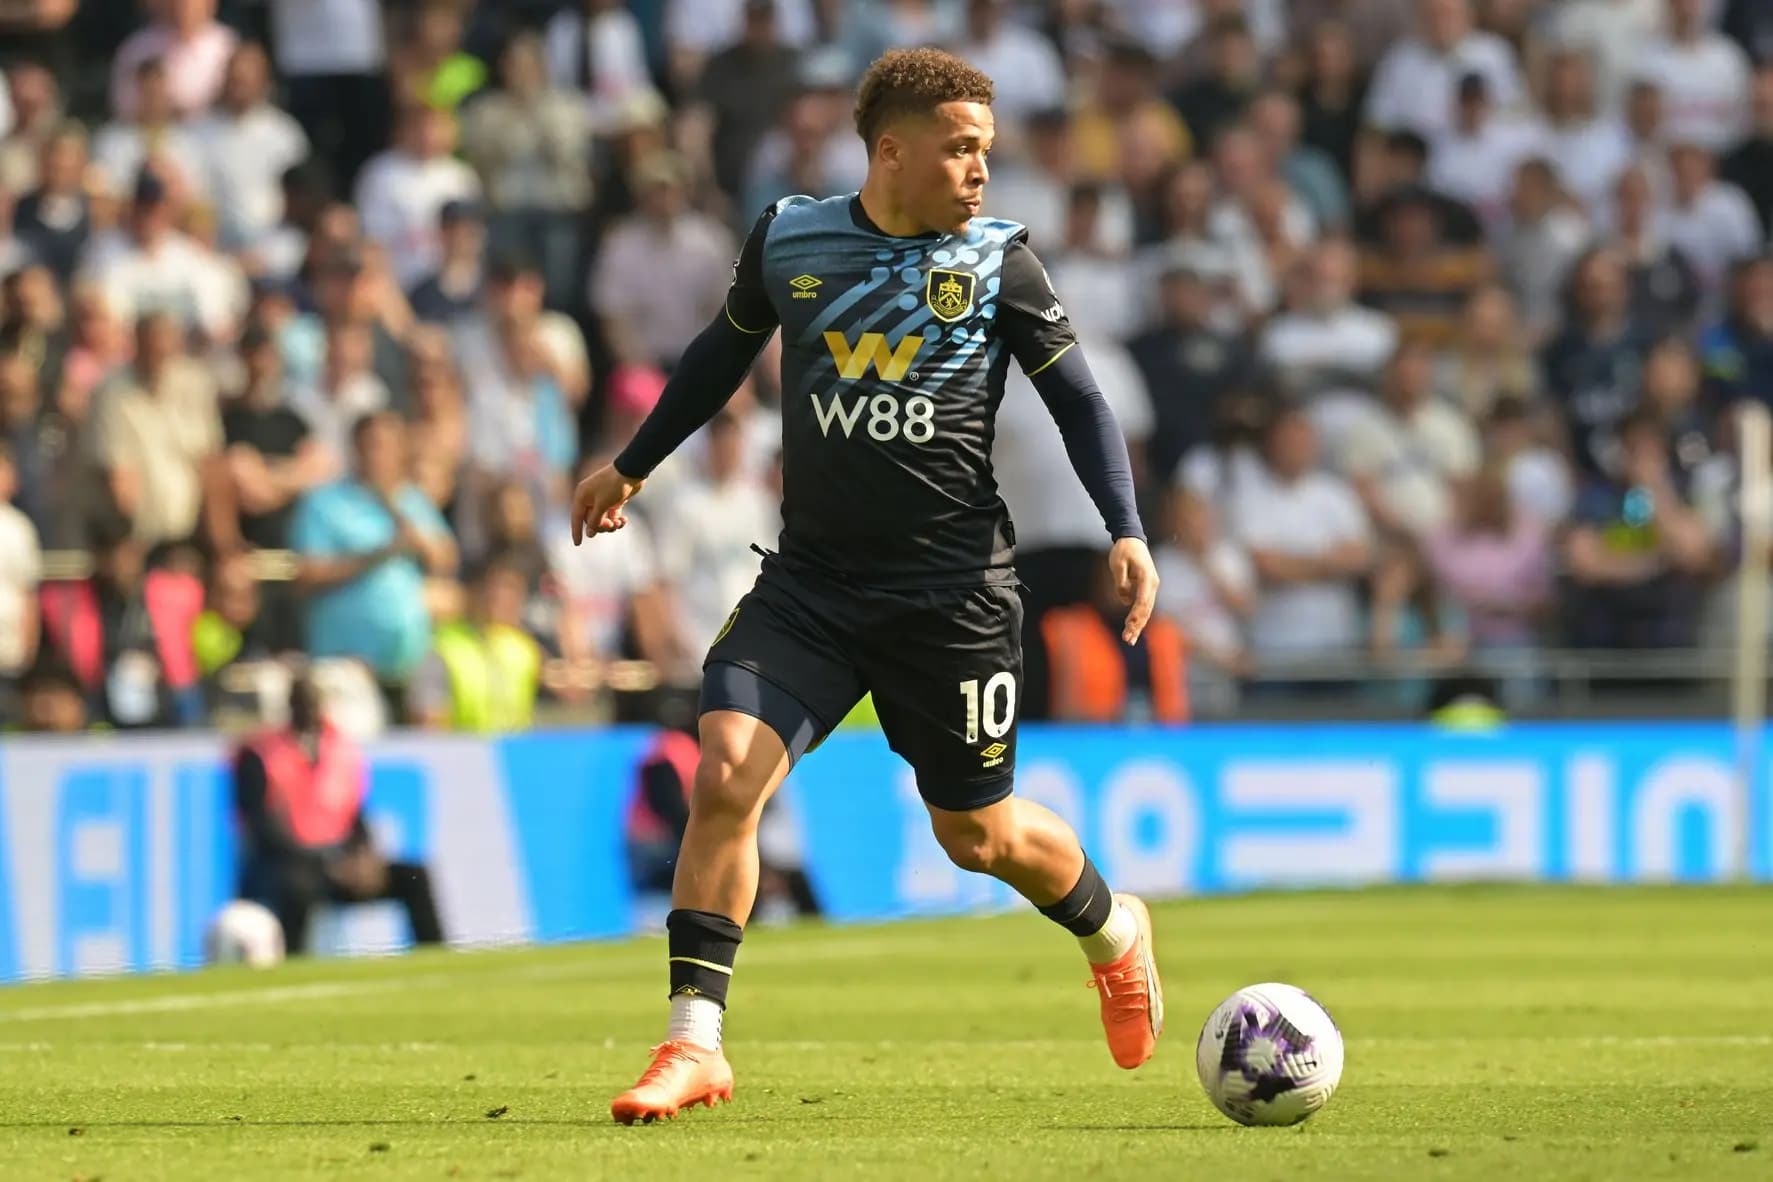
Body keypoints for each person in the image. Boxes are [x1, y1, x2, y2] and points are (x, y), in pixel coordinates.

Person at [570, 49, 1165, 1124]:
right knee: (725, 775)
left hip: (952, 597)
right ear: (891, 150)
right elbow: (719, 354)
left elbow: (1080, 401)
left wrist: (1125, 529)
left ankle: (1115, 930)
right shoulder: (791, 239)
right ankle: (693, 1043)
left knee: (976, 837)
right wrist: (633, 464)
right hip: (815, 585)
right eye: (961, 149)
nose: (980, 171)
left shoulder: (997, 262)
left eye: (986, 150)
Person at [232, 675, 445, 956]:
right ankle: (293, 961)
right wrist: (322, 860)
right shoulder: (261, 754)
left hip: (338, 863)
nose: (308, 710)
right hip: (287, 863)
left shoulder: (340, 749)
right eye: (300, 702)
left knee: (414, 875)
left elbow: (356, 813)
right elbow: (262, 825)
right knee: (297, 889)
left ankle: (435, 955)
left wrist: (362, 857)